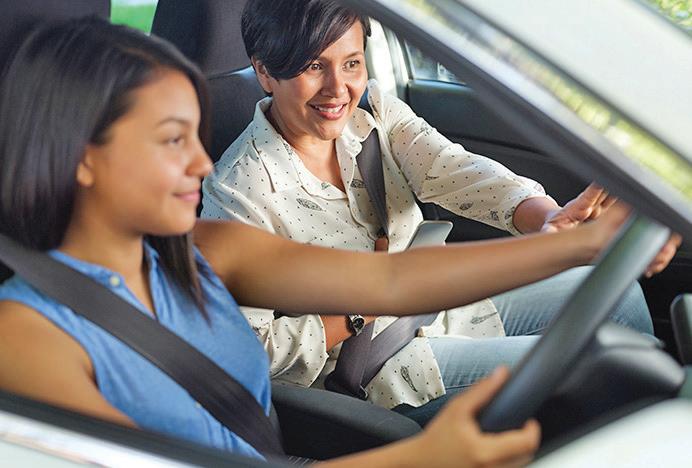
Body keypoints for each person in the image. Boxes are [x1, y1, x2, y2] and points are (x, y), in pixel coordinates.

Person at [0, 16, 645, 467]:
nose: (200, 161)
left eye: (197, 136)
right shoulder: (25, 338)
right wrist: (423, 458)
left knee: (619, 346)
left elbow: (391, 281)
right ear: (82, 156)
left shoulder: (205, 249)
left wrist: (584, 243)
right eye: (173, 140)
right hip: (354, 412)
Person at [201, 0, 678, 425]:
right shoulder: (239, 191)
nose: (337, 89)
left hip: (441, 307)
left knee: (620, 294)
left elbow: (455, 170)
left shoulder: (373, 113)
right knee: (602, 369)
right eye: (313, 66)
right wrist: (359, 307)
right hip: (382, 367)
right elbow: (252, 351)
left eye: (351, 63)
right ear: (265, 71)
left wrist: (549, 218)